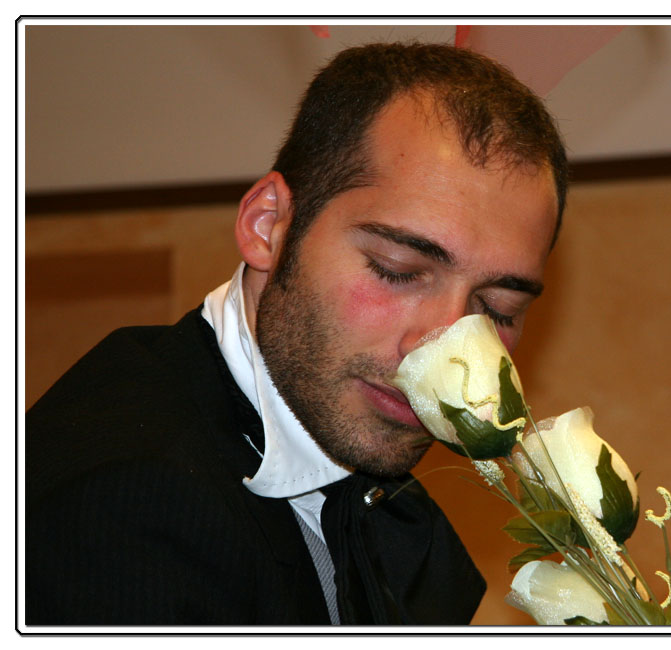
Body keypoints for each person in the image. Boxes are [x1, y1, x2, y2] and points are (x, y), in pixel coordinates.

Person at [25, 41, 568, 626]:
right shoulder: (125, 508)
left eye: (497, 310)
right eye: (397, 270)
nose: (442, 354)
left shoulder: (348, 470)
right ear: (269, 226)